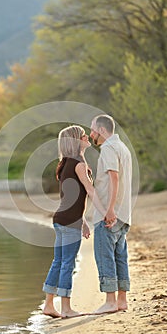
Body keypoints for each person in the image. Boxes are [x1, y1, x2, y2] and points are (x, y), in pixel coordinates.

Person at [42, 125, 105, 319]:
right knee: (67, 263)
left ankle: (49, 305)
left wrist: (83, 221)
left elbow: (73, 199)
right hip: (69, 222)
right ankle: (66, 308)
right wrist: (106, 212)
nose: (87, 137)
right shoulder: (78, 163)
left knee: (59, 262)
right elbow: (90, 190)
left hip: (61, 219)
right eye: (83, 135)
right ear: (75, 141)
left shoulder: (66, 163)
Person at [90, 114, 132, 314]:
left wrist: (109, 209)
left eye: (93, 130)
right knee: (120, 256)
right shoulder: (123, 148)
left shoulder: (108, 148)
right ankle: (121, 300)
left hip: (110, 213)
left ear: (102, 131)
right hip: (124, 214)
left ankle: (110, 302)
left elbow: (114, 178)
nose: (91, 135)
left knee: (105, 256)